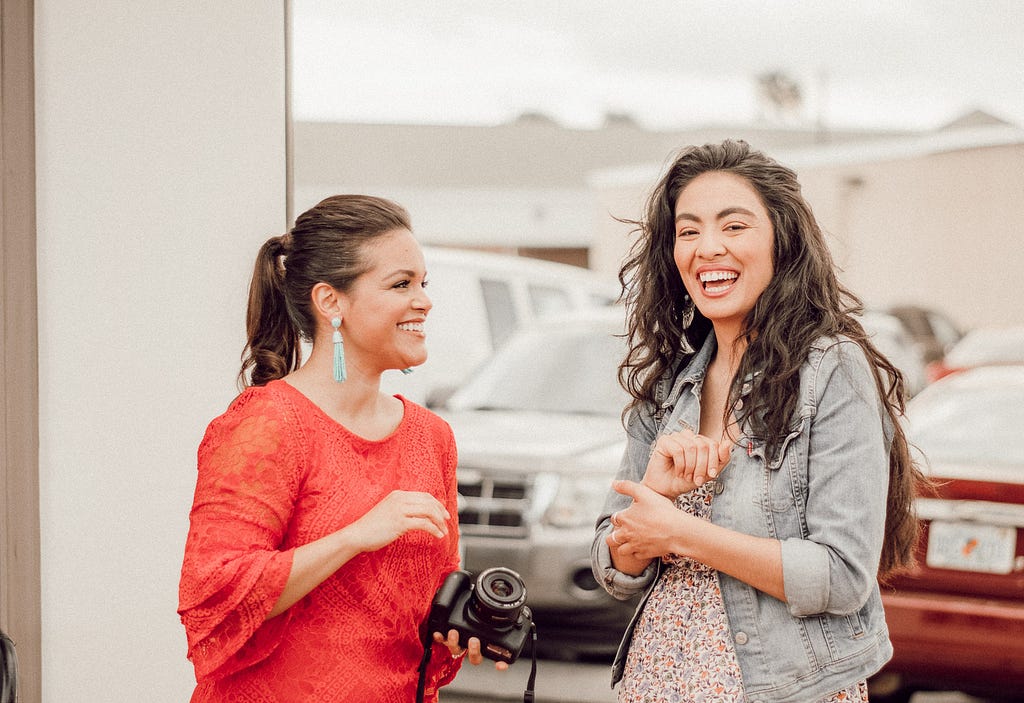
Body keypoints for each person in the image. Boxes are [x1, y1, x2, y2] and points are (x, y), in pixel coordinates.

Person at [590, 140, 927, 703]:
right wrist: (653, 497)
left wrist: (683, 533)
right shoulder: (668, 385)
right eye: (688, 230)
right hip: (655, 685)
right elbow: (612, 564)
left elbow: (843, 576)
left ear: (781, 242)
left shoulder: (831, 370)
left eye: (734, 226)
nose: (707, 248)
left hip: (785, 690)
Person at [178, 195, 503, 703]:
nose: (424, 300)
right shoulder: (267, 423)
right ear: (331, 302)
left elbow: (428, 599)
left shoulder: (432, 437)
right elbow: (218, 591)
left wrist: (460, 628)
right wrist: (356, 536)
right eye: (401, 284)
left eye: (424, 283)